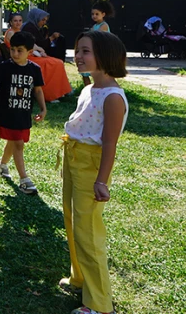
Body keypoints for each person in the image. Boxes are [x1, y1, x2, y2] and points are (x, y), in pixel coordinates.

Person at [60, 31, 129, 314]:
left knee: (88, 232)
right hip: (73, 156)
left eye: (85, 51)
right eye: (77, 51)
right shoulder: (89, 88)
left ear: (106, 56)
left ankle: (99, 305)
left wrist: (101, 180)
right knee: (72, 220)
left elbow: (110, 143)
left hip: (91, 165)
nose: (78, 56)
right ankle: (80, 277)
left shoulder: (113, 97)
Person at [0, 30, 47, 194]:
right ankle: (24, 180)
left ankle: (2, 166)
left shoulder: (34, 69)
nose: (15, 53)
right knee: (18, 144)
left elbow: (38, 91)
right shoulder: (5, 67)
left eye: (20, 50)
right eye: (12, 49)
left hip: (23, 114)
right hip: (8, 113)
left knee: (14, 142)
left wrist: (43, 108)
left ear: (29, 52)